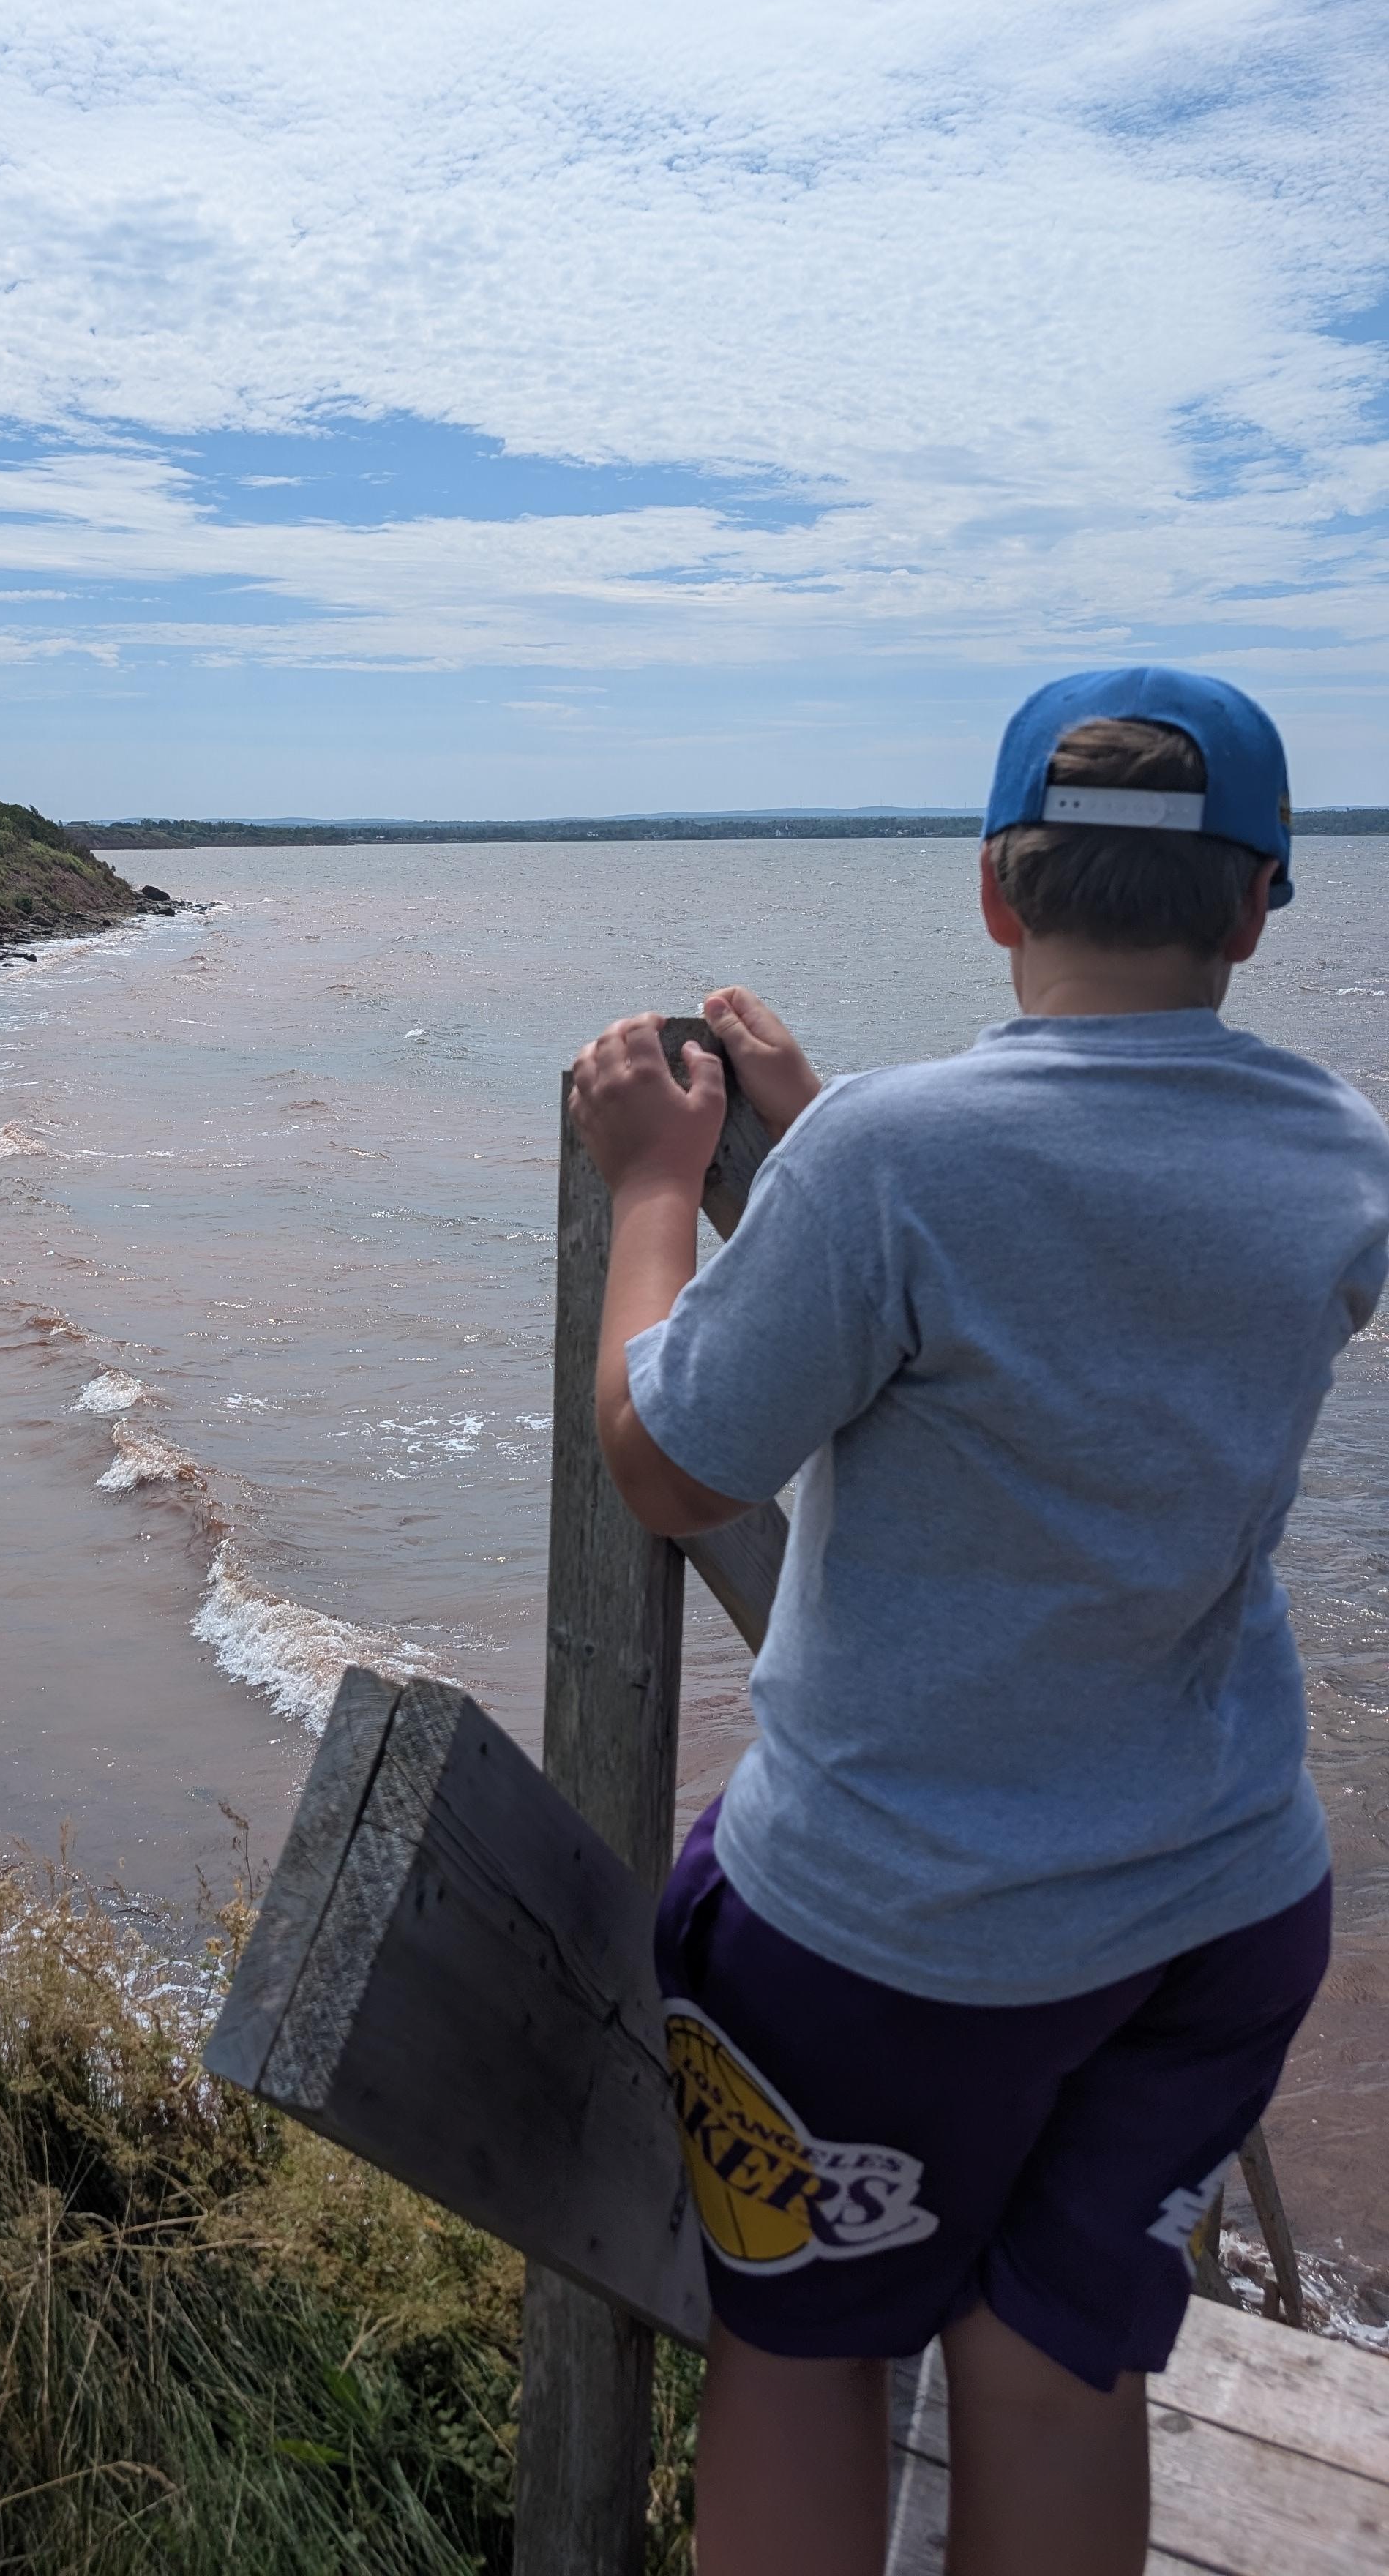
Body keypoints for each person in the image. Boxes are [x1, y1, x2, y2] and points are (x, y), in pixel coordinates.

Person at [566, 668, 1389, 2576]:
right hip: (1222, 1916)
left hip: (898, 1943)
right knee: (1050, 2367)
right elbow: (1119, 1215)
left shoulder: (891, 1169)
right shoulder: (1340, 1158)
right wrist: (838, 1122)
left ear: (997, 893)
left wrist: (662, 1192)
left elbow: (672, 1464)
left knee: (801, 2348)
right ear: (1261, 910)